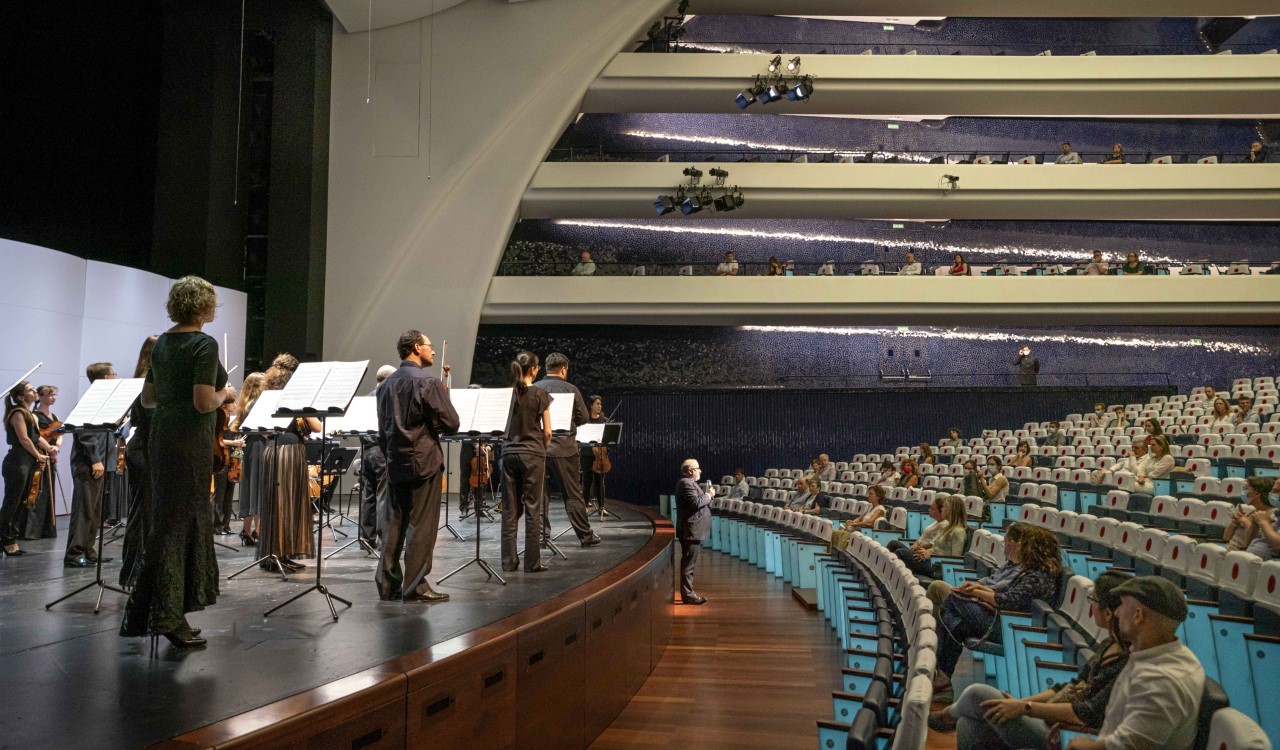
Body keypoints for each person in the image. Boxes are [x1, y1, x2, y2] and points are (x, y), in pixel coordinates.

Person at [119, 276, 231, 648]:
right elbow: (203, 402)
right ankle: (167, 616)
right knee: (178, 528)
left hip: (163, 438)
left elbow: (148, 398)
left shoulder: (163, 342)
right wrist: (226, 392)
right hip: (189, 443)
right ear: (204, 306)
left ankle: (152, 613)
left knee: (166, 525)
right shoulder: (203, 343)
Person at [932, 571, 1132, 746]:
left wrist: (1026, 708)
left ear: (1107, 613)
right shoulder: (1108, 646)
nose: (1091, 607)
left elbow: (1085, 714)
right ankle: (951, 716)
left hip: (1067, 735)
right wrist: (1019, 703)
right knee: (969, 726)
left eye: (1093, 600)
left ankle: (947, 715)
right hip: (1054, 717)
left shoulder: (1126, 662)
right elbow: (1070, 686)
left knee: (977, 694)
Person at [1065, 577, 1204, 750]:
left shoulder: (1161, 681)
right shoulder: (1173, 656)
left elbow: (1127, 746)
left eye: (1122, 605)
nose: (1116, 613)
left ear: (1138, 615)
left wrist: (1084, 746)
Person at [928, 524, 1063, 701]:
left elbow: (1008, 601)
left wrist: (977, 594)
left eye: (1026, 544)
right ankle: (944, 681)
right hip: (1003, 619)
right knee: (959, 626)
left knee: (953, 599)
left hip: (1012, 630)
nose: (1022, 547)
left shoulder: (1039, 576)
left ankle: (938, 670)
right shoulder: (1032, 572)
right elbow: (1007, 599)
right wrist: (983, 598)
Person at [375, 331, 459, 600]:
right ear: (415, 348)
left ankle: (387, 585)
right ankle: (416, 586)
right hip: (424, 460)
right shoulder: (429, 383)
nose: (433, 351)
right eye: (429, 346)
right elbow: (452, 424)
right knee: (421, 525)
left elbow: (382, 429)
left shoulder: (385, 386)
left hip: (395, 461)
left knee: (394, 523)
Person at [256, 362, 320, 573]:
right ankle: (282, 554)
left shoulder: (266, 399)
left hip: (271, 450)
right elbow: (317, 426)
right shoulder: (295, 399)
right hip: (291, 452)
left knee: (276, 504)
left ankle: (276, 553)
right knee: (289, 504)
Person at [533, 352, 601, 548]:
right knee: (572, 494)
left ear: (546, 368)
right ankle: (585, 536)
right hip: (565, 449)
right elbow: (584, 418)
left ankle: (541, 538)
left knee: (539, 495)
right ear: (564, 369)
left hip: (539, 449)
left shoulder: (535, 388)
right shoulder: (571, 389)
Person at [500, 351, 552, 573]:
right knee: (533, 508)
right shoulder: (540, 394)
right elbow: (548, 432)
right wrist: (542, 450)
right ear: (533, 370)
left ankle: (508, 563)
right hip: (533, 454)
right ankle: (532, 563)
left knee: (510, 510)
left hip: (508, 453)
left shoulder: (506, 394)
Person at [64, 361, 117, 568]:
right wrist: (96, 460)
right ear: (106, 378)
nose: (115, 377)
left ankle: (87, 549)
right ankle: (74, 553)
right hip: (89, 465)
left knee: (95, 511)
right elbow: (85, 432)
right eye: (113, 374)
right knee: (84, 510)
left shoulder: (103, 400)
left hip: (101, 463)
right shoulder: (91, 400)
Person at [119, 335, 158, 587]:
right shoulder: (148, 383)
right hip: (145, 450)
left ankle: (139, 572)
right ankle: (134, 572)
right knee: (142, 513)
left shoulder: (146, 381)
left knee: (145, 513)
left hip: (145, 449)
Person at [1, 381, 50, 557]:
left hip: (26, 462)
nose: (34, 391)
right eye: (30, 390)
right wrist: (38, 455)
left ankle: (10, 539)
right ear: (21, 397)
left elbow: (36, 438)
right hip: (17, 462)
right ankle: (6, 541)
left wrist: (48, 451)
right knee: (11, 503)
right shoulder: (18, 413)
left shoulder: (30, 414)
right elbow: (24, 440)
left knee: (21, 503)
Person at [17, 384, 62, 539]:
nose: (53, 397)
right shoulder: (34, 415)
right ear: (41, 397)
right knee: (36, 491)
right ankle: (30, 531)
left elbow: (60, 433)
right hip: (40, 455)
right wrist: (49, 448)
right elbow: (36, 436)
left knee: (48, 491)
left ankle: (46, 529)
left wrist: (56, 446)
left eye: (55, 394)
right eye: (49, 395)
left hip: (51, 454)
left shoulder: (54, 416)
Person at [358, 365, 395, 548]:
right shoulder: (386, 397)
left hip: (366, 450)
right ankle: (382, 539)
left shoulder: (364, 399)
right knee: (383, 494)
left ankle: (366, 538)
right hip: (380, 450)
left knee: (369, 494)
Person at [893, 494, 967, 577]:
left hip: (938, 567)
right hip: (931, 560)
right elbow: (936, 547)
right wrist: (927, 552)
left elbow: (955, 559)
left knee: (901, 553)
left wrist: (931, 555)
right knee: (899, 551)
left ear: (951, 510)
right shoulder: (948, 528)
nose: (942, 509)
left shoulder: (958, 531)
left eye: (945, 507)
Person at [232, 372, 265, 546]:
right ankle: (258, 531)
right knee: (259, 488)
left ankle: (246, 531)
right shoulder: (258, 404)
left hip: (250, 447)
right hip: (259, 446)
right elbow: (264, 429)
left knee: (250, 487)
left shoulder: (245, 404)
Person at [675, 458, 712, 605]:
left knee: (689, 563)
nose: (700, 471)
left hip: (693, 530)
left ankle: (688, 593)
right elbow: (696, 503)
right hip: (691, 530)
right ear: (690, 470)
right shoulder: (686, 483)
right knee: (688, 565)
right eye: (698, 468)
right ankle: (688, 595)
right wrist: (709, 495)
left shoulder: (689, 483)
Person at [210, 385, 238, 535]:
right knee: (219, 493)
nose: (235, 405)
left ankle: (226, 524)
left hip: (231, 459)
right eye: (232, 402)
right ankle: (217, 524)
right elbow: (217, 440)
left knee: (229, 492)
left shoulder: (231, 423)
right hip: (221, 456)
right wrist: (232, 443)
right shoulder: (219, 418)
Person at [1223, 476, 1277, 552]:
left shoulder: (1273, 515)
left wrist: (1245, 522)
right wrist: (1234, 523)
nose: (1244, 492)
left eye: (1246, 488)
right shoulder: (1250, 511)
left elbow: (1259, 541)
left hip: (1241, 555)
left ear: (1257, 493)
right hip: (1229, 551)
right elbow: (1226, 538)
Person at [581, 395, 608, 510]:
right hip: (587, 454)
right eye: (597, 404)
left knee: (600, 482)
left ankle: (601, 507)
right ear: (591, 406)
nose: (599, 406)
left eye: (600, 404)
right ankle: (585, 505)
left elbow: (608, 439)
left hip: (601, 455)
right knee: (587, 481)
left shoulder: (604, 421)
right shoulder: (585, 421)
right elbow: (581, 437)